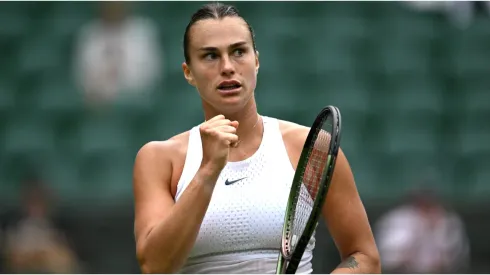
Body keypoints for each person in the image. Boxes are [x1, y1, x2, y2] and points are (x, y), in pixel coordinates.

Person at [132, 2, 380, 274]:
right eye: (210, 56)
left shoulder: (311, 148)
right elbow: (154, 266)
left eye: (239, 51)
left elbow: (364, 256)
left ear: (257, 61)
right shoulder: (159, 159)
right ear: (188, 72)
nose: (227, 67)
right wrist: (208, 170)